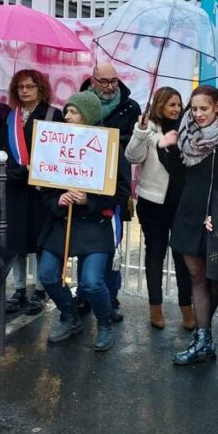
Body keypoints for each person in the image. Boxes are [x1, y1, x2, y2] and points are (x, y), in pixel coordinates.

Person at [161, 85, 218, 365]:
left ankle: (204, 335)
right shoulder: (185, 132)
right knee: (196, 277)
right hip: (189, 212)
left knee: (212, 278)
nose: (198, 114)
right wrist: (166, 149)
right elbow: (177, 175)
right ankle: (203, 338)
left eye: (204, 108)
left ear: (217, 106)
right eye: (194, 108)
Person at [36, 91, 131, 352]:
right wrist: (59, 201)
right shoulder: (53, 143)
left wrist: (89, 200)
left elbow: (122, 191)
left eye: (73, 112)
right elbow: (45, 189)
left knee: (90, 282)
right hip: (61, 221)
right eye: (66, 111)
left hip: (95, 222)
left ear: (88, 115)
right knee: (47, 274)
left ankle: (104, 323)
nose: (66, 116)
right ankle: (70, 317)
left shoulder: (111, 146)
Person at [124, 86, 194, 330]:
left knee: (183, 257)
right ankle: (155, 307)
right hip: (153, 203)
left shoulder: (187, 129)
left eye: (178, 104)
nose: (176, 109)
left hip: (182, 204)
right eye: (171, 104)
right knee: (155, 254)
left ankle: (187, 307)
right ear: (160, 105)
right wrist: (141, 130)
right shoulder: (148, 129)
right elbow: (132, 156)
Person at [81, 62, 141, 321]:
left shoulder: (131, 106)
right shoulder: (81, 102)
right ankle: (84, 294)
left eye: (113, 81)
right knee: (82, 240)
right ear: (92, 80)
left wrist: (108, 138)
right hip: (83, 179)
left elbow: (134, 143)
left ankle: (111, 295)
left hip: (115, 182)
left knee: (111, 243)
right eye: (103, 81)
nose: (109, 86)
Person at [4, 69, 63, 315]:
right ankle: (18, 289)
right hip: (16, 188)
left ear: (41, 89)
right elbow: (3, 150)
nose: (25, 91)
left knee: (40, 240)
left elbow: (59, 150)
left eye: (30, 86)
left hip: (42, 190)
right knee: (16, 241)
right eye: (21, 87)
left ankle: (39, 290)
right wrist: (18, 171)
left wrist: (37, 172)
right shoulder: (10, 116)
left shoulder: (53, 114)